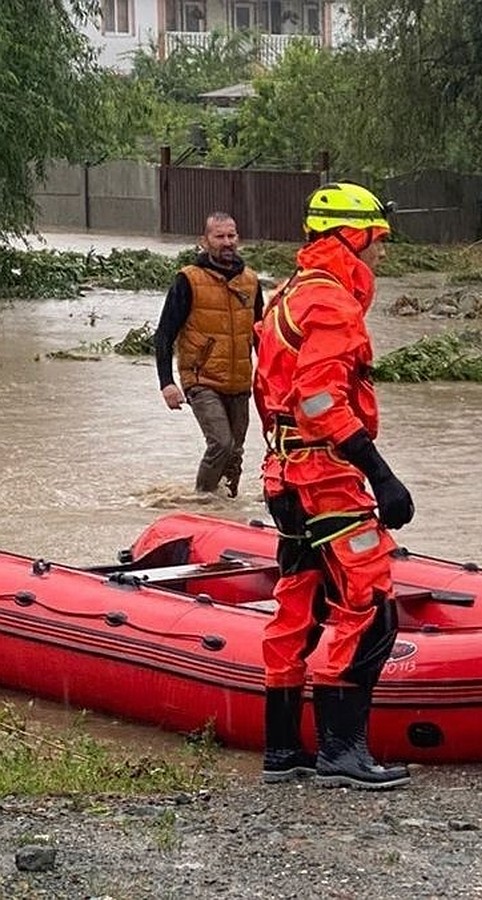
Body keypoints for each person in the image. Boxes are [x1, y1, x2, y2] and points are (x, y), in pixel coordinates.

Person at [253, 182, 415, 791]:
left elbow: (275, 394)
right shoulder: (331, 304)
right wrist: (382, 474)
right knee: (369, 604)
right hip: (326, 475)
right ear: (354, 238)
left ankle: (282, 749)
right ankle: (342, 751)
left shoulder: (288, 295)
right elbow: (320, 400)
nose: (381, 256)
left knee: (297, 603)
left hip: (285, 471)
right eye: (378, 242)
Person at [155, 212, 264, 497]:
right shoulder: (188, 280)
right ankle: (202, 502)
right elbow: (164, 334)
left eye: (232, 235)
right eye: (219, 236)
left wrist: (273, 379)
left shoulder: (251, 281)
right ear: (204, 241)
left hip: (240, 380)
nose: (227, 242)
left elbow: (260, 336)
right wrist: (167, 382)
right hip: (201, 378)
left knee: (235, 453)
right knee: (221, 444)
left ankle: (228, 508)